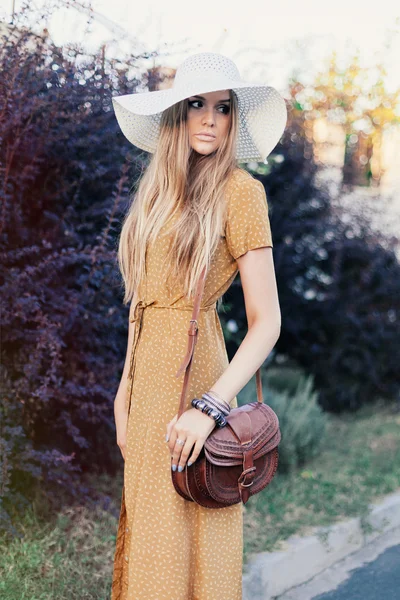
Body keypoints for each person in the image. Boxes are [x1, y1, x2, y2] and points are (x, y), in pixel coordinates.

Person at [110, 51, 286, 600]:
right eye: (196, 104)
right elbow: (143, 307)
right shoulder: (156, 194)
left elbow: (267, 322)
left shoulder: (240, 192)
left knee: (194, 543)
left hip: (198, 391)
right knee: (152, 545)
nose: (210, 119)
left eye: (223, 107)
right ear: (176, 115)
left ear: (234, 119)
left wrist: (211, 409)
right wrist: (123, 395)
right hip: (142, 395)